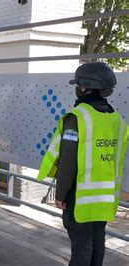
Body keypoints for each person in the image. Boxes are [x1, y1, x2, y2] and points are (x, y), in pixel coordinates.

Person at [38, 62, 127, 266]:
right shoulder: (116, 120)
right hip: (105, 198)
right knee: (97, 243)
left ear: (85, 87)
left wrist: (60, 194)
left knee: (81, 248)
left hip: (79, 197)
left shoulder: (78, 117)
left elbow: (68, 161)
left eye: (78, 84)